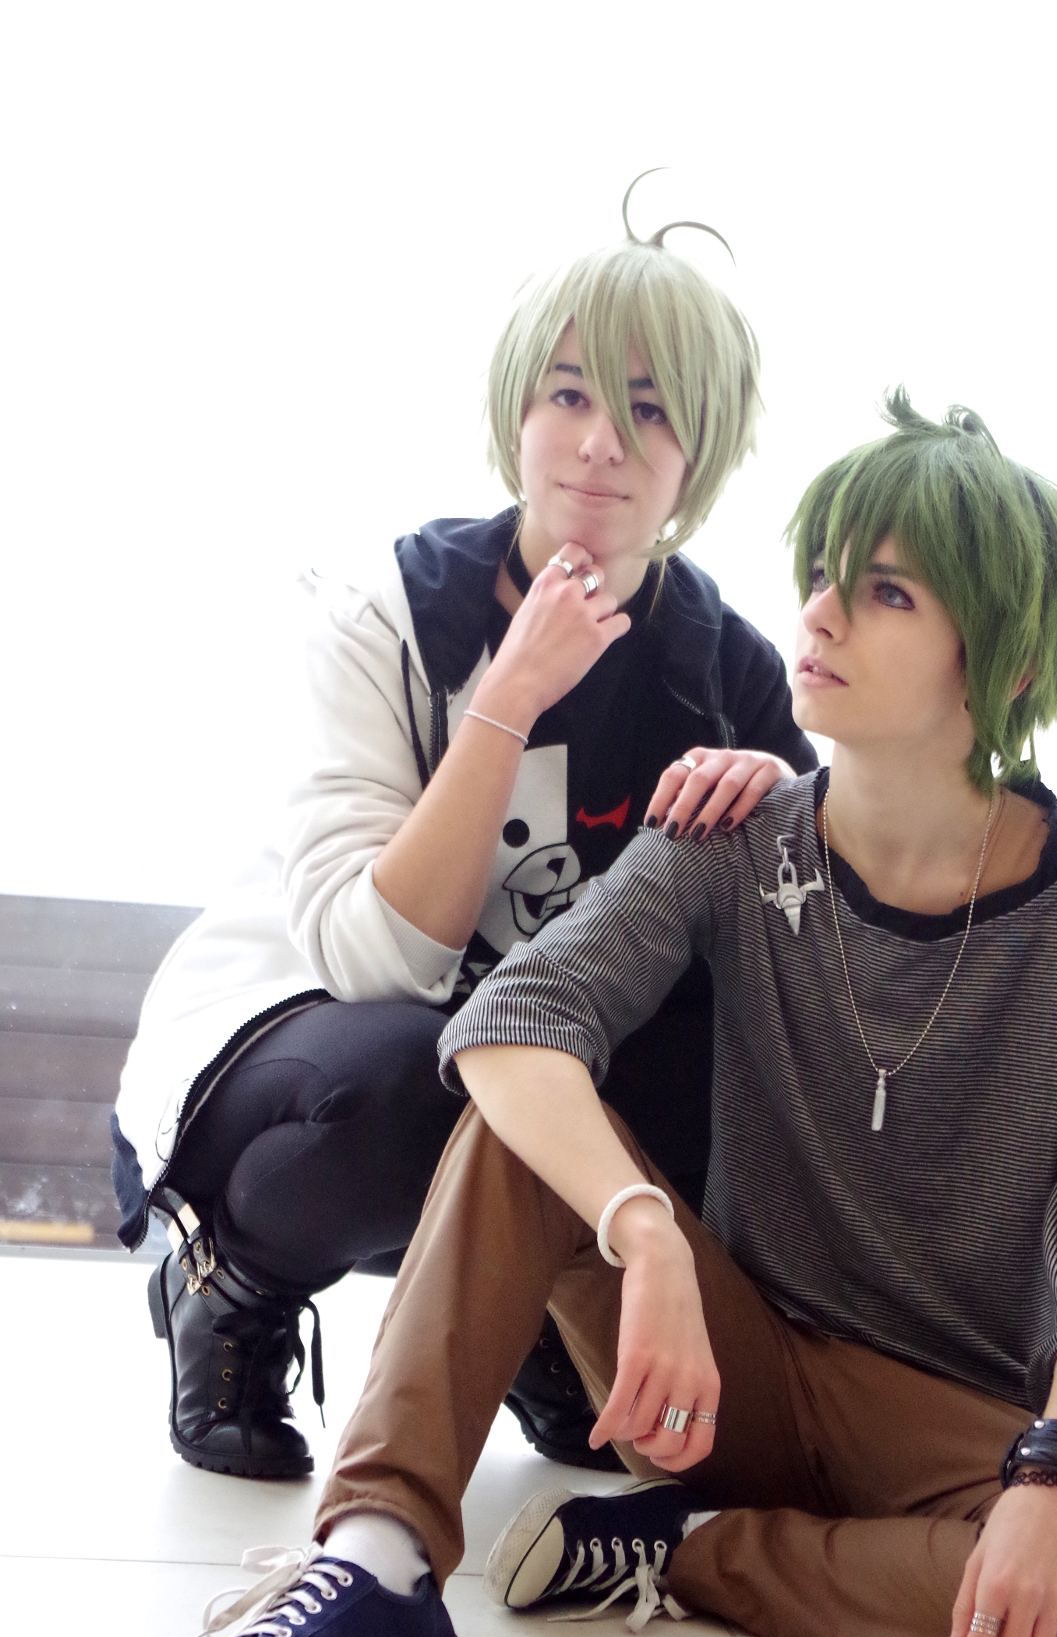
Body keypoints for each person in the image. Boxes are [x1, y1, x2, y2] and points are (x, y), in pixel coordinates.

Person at [164, 394, 1057, 1637]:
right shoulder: (735, 833)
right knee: (519, 1123)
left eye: (884, 593)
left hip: (947, 1414)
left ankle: (685, 1553)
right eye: (821, 575)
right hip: (725, 1371)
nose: (819, 615)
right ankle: (378, 1560)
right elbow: (510, 1021)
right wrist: (642, 1230)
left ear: (1008, 664)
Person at [112, 196, 816, 1480]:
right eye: (569, 395)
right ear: (516, 410)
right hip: (313, 1043)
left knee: (684, 1073)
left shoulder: (724, 671)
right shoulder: (392, 615)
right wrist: (508, 698)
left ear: (700, 450)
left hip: (539, 1077)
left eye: (651, 411)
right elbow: (378, 956)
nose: (601, 444)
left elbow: (806, 983)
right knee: (423, 1080)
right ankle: (228, 1285)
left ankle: (542, 1302)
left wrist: (786, 806)